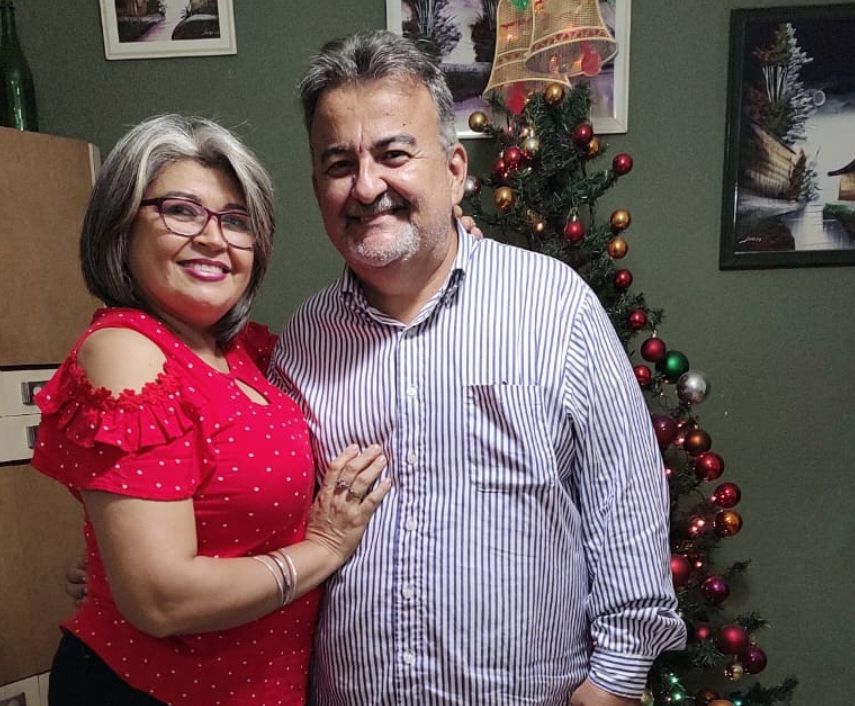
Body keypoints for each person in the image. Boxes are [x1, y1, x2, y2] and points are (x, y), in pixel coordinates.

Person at [268, 30, 687, 706]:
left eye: (394, 154)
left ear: (454, 168)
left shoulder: (552, 304)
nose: (366, 186)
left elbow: (625, 496)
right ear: (318, 185)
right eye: (339, 163)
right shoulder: (303, 340)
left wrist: (615, 678)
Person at [32, 114, 391, 706]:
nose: (212, 238)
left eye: (236, 220)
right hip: (148, 691)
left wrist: (448, 246)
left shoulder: (243, 352)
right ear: (122, 223)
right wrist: (323, 550)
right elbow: (161, 599)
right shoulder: (126, 353)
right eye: (181, 210)